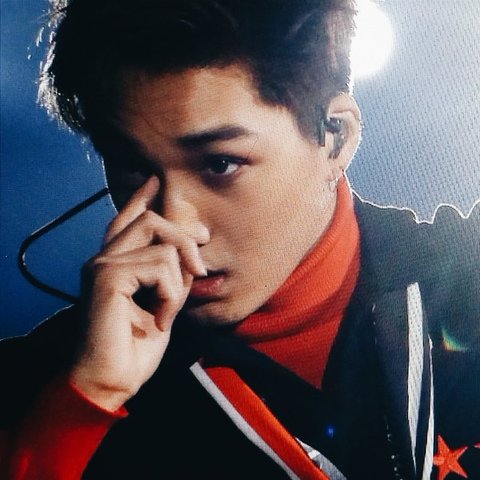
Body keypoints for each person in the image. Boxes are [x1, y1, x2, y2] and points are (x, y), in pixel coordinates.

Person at [1, 0, 479, 478]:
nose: (176, 224)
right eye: (132, 168)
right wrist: (81, 408)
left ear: (336, 137)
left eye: (220, 163)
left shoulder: (468, 278)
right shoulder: (40, 387)